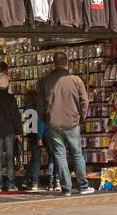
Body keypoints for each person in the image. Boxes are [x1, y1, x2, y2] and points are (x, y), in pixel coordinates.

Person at [36, 51, 94, 196]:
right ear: (67, 63)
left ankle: (66, 188)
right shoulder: (75, 80)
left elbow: (40, 104)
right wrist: (82, 117)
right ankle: (82, 186)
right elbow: (84, 101)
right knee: (77, 154)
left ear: (53, 64)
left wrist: (46, 119)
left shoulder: (46, 81)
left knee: (59, 155)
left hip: (54, 123)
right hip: (72, 122)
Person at [20, 89, 44, 191]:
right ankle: (35, 182)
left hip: (30, 136)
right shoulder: (36, 110)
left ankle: (26, 180)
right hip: (36, 136)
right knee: (37, 160)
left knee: (33, 159)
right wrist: (40, 138)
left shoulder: (26, 110)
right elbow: (40, 124)